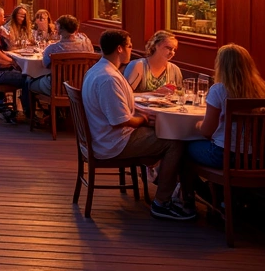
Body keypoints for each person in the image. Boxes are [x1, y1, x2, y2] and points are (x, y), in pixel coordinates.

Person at [81, 30, 197, 220]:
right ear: (119, 49)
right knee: (175, 142)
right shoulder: (109, 78)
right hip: (111, 143)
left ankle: (171, 185)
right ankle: (162, 202)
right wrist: (143, 120)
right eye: (128, 46)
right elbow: (121, 121)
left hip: (99, 136)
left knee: (164, 133)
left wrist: (144, 118)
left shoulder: (97, 70)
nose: (131, 49)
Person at [191, 44, 265, 168]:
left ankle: (202, 188)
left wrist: (198, 125)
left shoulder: (219, 90)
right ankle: (215, 187)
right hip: (255, 158)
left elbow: (207, 132)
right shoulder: (263, 92)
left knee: (185, 147)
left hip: (223, 156)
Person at [29, 15, 94, 96]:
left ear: (60, 28)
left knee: (28, 81)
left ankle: (28, 108)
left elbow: (45, 65)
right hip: (80, 86)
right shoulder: (87, 44)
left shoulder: (52, 48)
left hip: (56, 87)